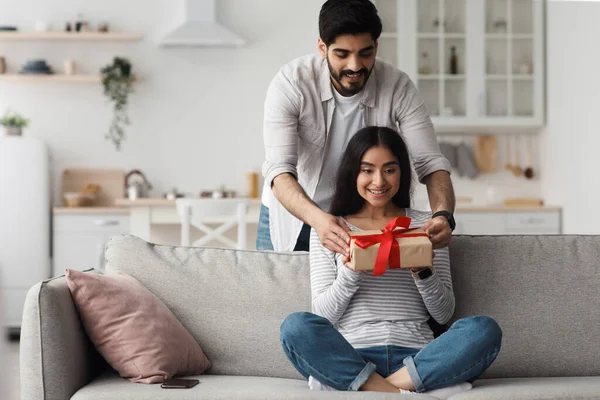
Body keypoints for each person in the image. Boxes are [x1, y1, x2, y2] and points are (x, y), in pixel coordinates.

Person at [280, 127, 502, 396]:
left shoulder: (427, 226)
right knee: (295, 327)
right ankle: (393, 390)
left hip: (416, 357)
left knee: (483, 330)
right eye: (367, 170)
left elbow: (443, 313)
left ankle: (378, 389)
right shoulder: (331, 229)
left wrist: (423, 271)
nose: (379, 181)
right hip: (352, 356)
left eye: (389, 169)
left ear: (402, 172)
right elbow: (324, 315)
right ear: (353, 173)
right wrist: (351, 272)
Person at [258, 0, 456, 254]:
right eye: (342, 54)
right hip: (293, 213)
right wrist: (320, 221)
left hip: (361, 218)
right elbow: (279, 170)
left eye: (365, 53)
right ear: (322, 47)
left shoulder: (398, 86)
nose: (355, 66)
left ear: (376, 46)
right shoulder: (291, 83)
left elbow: (431, 162)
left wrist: (442, 215)